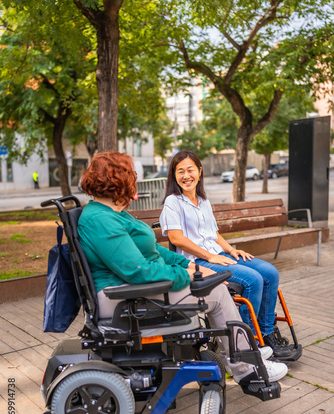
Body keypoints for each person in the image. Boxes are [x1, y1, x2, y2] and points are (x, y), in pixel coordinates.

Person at [77, 151, 288, 387]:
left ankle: (244, 353)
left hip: (134, 287)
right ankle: (246, 367)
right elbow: (139, 271)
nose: (134, 181)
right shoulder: (101, 219)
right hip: (120, 297)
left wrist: (190, 264)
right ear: (119, 181)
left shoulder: (112, 213)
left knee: (221, 283)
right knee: (217, 293)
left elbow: (155, 252)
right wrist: (188, 276)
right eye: (131, 175)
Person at [160, 150, 291, 359]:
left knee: (270, 272)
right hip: (197, 261)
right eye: (180, 171)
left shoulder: (203, 201)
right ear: (174, 175)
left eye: (190, 170)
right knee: (253, 280)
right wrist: (210, 256)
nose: (186, 176)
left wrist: (231, 249)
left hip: (217, 253)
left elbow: (214, 234)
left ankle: (265, 334)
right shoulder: (173, 202)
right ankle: (244, 345)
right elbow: (176, 238)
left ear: (200, 171)